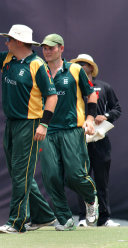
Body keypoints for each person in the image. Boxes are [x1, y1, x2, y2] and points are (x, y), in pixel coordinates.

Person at [0, 24, 58, 234]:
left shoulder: (37, 64)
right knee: (19, 173)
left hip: (30, 124)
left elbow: (52, 96)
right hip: (11, 123)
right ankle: (44, 216)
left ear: (18, 42)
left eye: (9, 39)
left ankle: (17, 222)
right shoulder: (8, 58)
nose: (6, 42)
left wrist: (44, 124)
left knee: (21, 174)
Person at [40, 34, 99, 231]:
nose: (47, 51)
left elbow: (91, 94)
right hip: (48, 130)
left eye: (51, 48)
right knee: (51, 177)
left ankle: (91, 200)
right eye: (45, 48)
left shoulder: (74, 70)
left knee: (75, 175)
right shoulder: (40, 70)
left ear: (61, 49)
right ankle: (65, 218)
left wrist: (90, 119)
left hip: (72, 129)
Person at [70, 54, 122, 227]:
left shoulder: (104, 87)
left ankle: (104, 218)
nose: (80, 67)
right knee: (81, 179)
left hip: (100, 139)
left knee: (101, 180)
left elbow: (117, 108)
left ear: (91, 67)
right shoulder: (73, 87)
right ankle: (83, 218)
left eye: (83, 64)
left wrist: (105, 116)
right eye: (77, 65)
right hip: (79, 140)